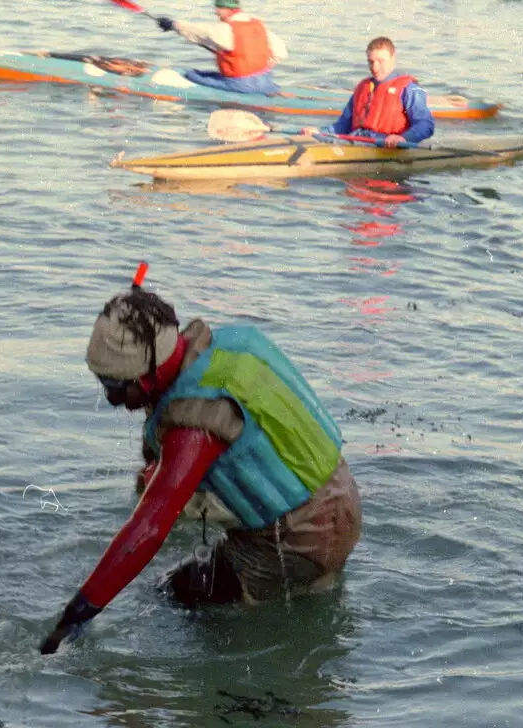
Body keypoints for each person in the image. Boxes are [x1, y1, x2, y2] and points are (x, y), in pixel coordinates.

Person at [39, 276, 361, 655]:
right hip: (342, 499)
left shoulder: (193, 426)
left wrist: (75, 616)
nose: (114, 401)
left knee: (172, 594)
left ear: (150, 374)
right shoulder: (234, 347)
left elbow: (148, 530)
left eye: (116, 387)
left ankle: (244, 691)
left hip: (297, 541)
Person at [305, 37, 434, 149]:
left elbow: (426, 125)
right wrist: (319, 132)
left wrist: (404, 138)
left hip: (386, 145)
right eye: (371, 62)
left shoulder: (409, 89)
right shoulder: (363, 87)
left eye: (380, 61)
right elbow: (343, 125)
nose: (375, 68)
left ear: (393, 58)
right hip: (357, 141)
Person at [156, 0, 287, 95]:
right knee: (207, 74)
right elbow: (281, 52)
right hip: (266, 81)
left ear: (227, 8)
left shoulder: (226, 29)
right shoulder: (258, 25)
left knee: (190, 74)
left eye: (218, 8)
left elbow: (197, 32)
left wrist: (172, 24)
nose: (216, 13)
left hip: (241, 85)